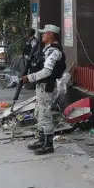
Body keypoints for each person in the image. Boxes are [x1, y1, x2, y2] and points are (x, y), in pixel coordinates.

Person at [21, 24, 66, 155]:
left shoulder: (54, 51)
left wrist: (30, 77)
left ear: (51, 34)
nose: (42, 35)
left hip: (47, 86)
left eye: (44, 33)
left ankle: (48, 144)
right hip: (41, 85)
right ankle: (41, 139)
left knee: (45, 114)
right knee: (39, 112)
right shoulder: (47, 49)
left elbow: (47, 71)